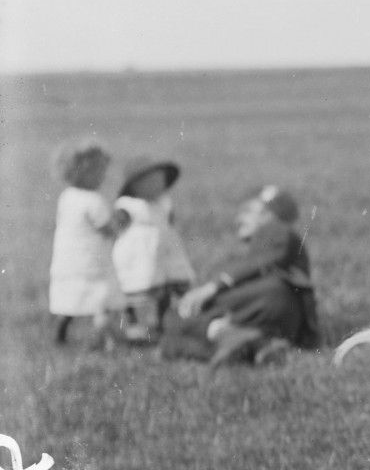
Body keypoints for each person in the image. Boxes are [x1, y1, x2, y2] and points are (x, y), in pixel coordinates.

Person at [160, 184, 321, 367]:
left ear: (268, 214)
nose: (239, 218)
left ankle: (218, 332)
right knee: (170, 343)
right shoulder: (267, 242)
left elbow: (260, 262)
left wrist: (212, 288)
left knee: (176, 314)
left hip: (273, 298)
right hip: (281, 321)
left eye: (247, 211)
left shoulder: (276, 229)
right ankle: (252, 344)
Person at [48, 139, 128, 347]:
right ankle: (106, 340)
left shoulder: (67, 196)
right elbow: (106, 228)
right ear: (82, 172)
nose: (102, 177)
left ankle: (61, 332)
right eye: (99, 171)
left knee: (70, 301)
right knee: (101, 302)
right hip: (91, 262)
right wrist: (120, 220)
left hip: (68, 260)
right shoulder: (93, 200)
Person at [112, 156, 196, 339]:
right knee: (132, 284)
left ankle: (161, 319)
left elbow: (168, 222)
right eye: (150, 182)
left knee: (165, 284)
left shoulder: (164, 203)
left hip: (163, 253)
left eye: (161, 181)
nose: (157, 186)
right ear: (135, 186)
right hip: (138, 254)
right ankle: (131, 320)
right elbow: (117, 223)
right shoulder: (129, 205)